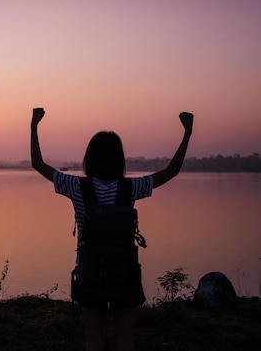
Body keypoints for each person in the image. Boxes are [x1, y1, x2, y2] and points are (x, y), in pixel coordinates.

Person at [30, 108, 194, 351]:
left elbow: (38, 164)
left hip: (90, 270)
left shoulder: (76, 186)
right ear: (120, 160)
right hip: (124, 270)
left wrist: (34, 125)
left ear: (89, 158)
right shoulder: (131, 188)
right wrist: (187, 133)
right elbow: (171, 172)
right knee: (125, 341)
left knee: (94, 340)